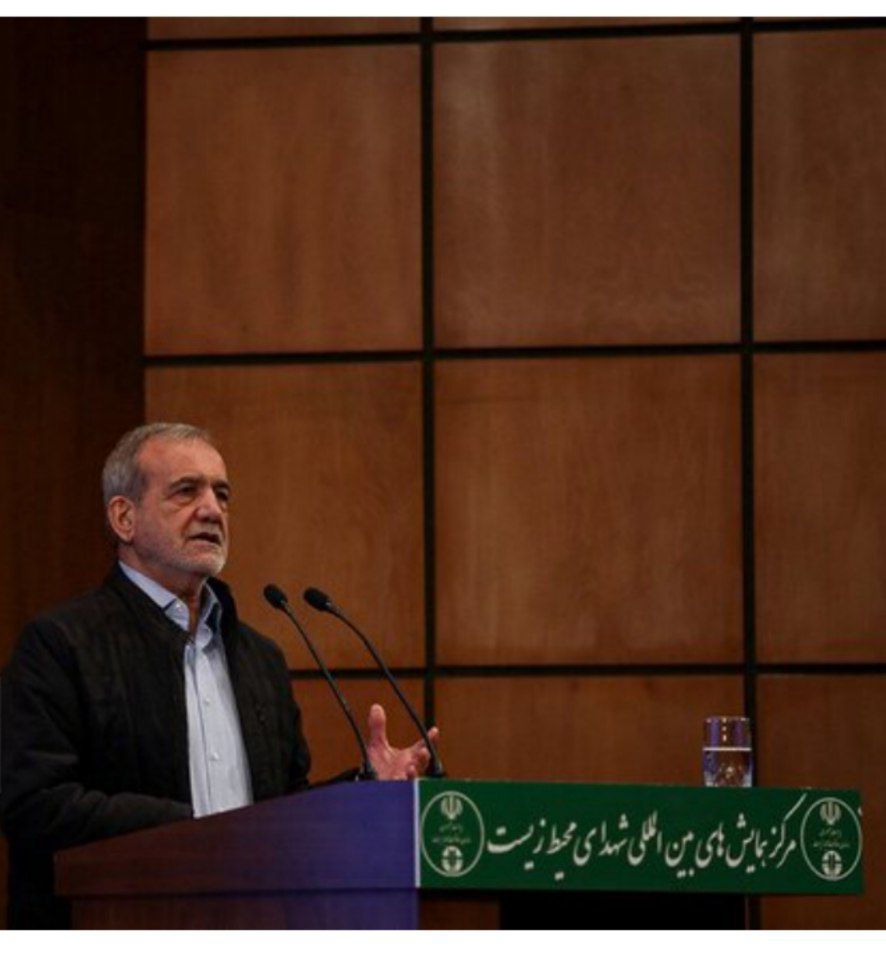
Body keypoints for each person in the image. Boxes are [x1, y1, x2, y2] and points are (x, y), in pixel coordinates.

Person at [0, 423, 438, 929]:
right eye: (186, 491)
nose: (212, 510)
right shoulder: (60, 644)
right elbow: (35, 806)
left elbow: (280, 811)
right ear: (124, 517)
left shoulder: (260, 659)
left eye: (222, 494)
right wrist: (199, 831)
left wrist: (364, 787)